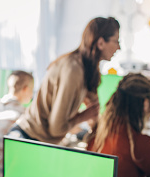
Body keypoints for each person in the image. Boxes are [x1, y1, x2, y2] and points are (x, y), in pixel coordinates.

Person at [9, 16, 120, 144]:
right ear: (100, 43)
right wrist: (83, 116)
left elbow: (94, 109)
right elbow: (56, 128)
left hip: (38, 140)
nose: (119, 47)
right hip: (26, 138)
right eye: (116, 41)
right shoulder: (74, 70)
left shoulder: (88, 70)